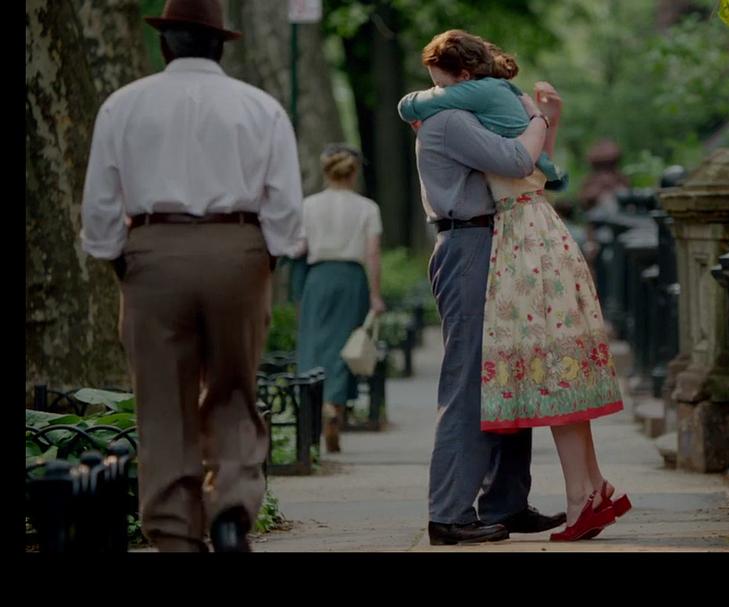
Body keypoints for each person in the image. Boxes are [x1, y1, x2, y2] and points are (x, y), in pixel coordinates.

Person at [79, 0, 304, 552]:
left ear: (164, 44)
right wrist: (266, 258)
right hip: (237, 249)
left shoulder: (123, 105)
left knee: (161, 399)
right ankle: (230, 507)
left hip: (153, 249)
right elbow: (285, 203)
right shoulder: (261, 108)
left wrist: (121, 258)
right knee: (234, 388)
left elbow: (101, 202)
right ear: (221, 44)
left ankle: (176, 532)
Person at [405, 29, 631, 543]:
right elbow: (515, 161)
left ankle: (506, 502)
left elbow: (532, 165)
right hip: (469, 242)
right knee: (469, 382)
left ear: (464, 74)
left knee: (508, 373)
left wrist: (541, 120)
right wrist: (539, 118)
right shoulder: (451, 118)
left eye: (440, 80)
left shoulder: (471, 109)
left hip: (494, 240)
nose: (436, 90)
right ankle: (449, 513)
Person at [293, 144, 385, 453]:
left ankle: (318, 407)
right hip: (351, 280)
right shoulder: (367, 208)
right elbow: (372, 253)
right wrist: (375, 295)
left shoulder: (308, 206)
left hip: (318, 278)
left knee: (314, 343)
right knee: (346, 345)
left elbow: (299, 247)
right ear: (353, 173)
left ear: (326, 171)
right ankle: (335, 406)